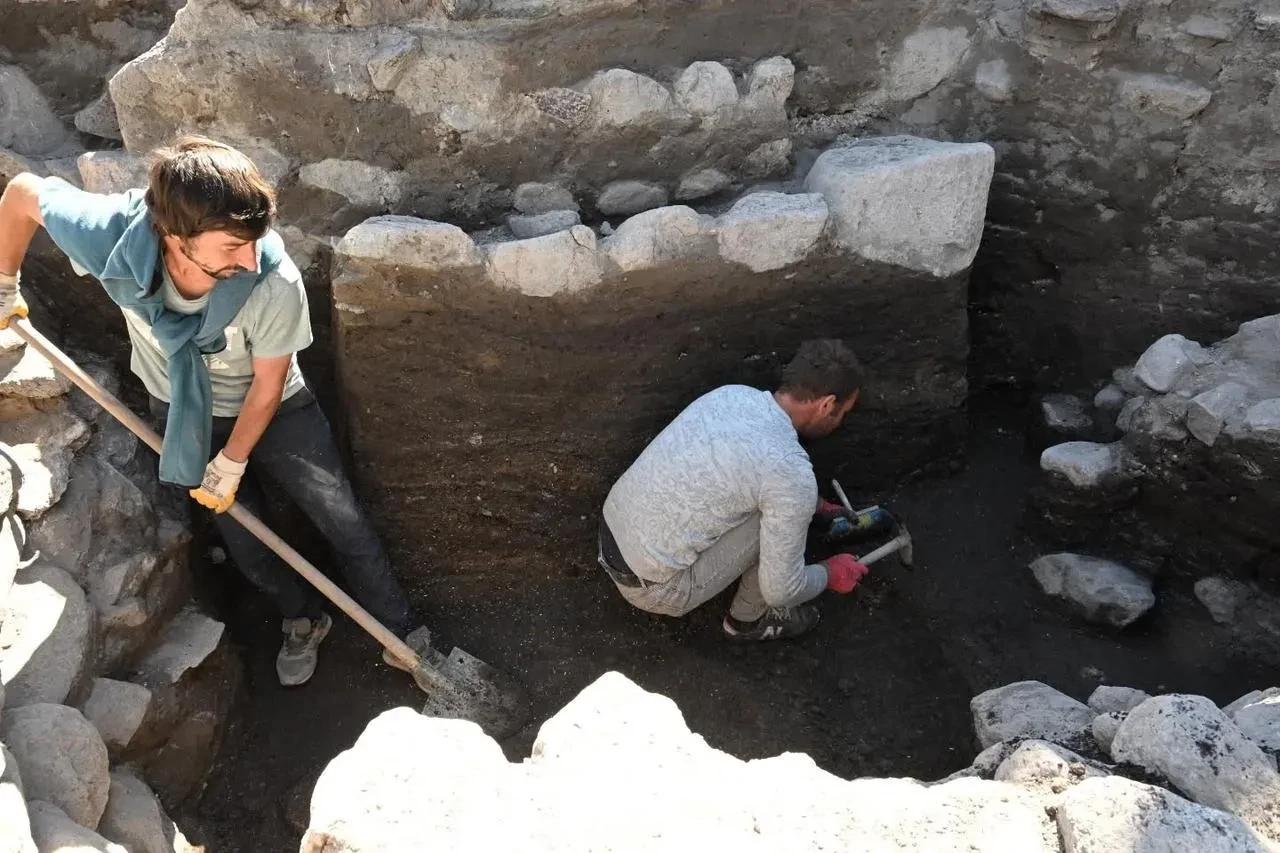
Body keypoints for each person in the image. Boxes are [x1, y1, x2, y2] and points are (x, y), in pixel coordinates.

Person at [0, 137, 428, 686]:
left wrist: (231, 464)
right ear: (176, 236)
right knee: (244, 539)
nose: (249, 258)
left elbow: (268, 387)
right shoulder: (111, 236)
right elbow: (22, 194)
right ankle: (304, 618)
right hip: (184, 411)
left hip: (277, 411)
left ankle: (400, 632)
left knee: (340, 516)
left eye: (254, 241)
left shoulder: (271, 280)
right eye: (231, 246)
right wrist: (6, 283)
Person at [598, 339, 885, 641]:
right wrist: (830, 573)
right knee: (772, 527)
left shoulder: (733, 395)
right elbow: (781, 589)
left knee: (772, 501)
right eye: (843, 413)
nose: (841, 422)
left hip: (612, 533)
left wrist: (810, 506)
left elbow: (747, 473)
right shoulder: (789, 471)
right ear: (826, 405)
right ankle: (747, 621)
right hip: (653, 587)